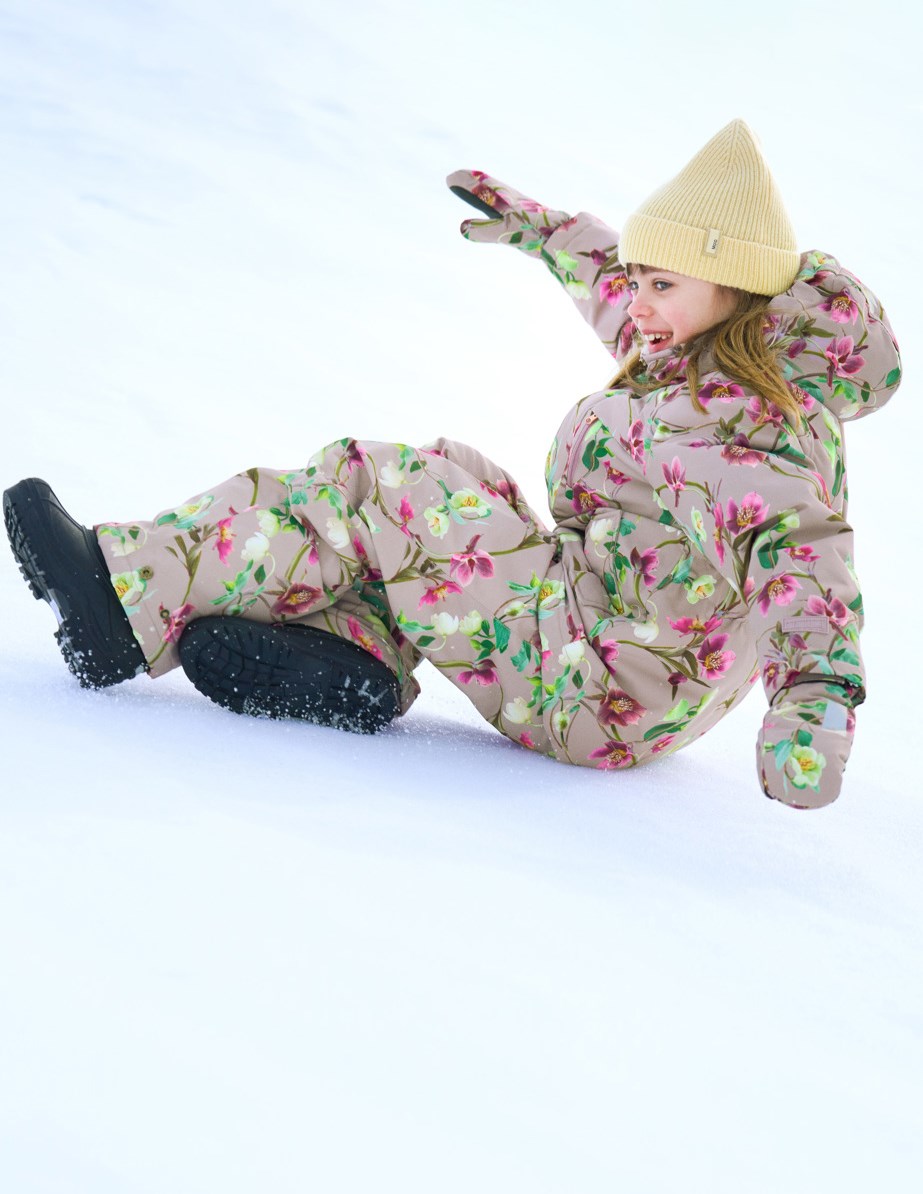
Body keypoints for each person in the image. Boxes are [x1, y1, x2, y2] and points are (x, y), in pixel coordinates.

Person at [3, 120, 901, 808]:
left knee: (383, 486)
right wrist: (556, 235)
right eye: (634, 276)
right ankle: (352, 656)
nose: (638, 303)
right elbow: (621, 304)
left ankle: (121, 602)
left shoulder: (747, 432)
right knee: (456, 478)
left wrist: (816, 701)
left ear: (733, 287)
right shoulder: (712, 356)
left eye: (660, 283)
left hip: (598, 686)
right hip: (613, 649)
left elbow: (799, 556)